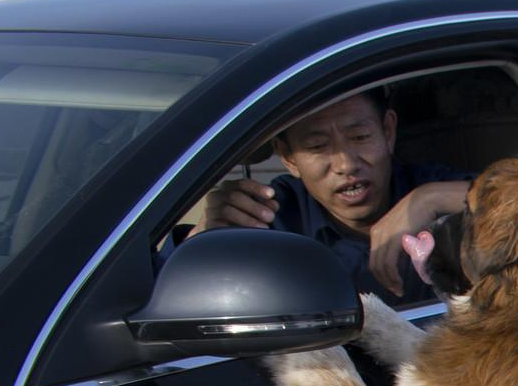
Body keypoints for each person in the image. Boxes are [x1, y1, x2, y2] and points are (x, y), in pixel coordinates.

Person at [183, 89, 470, 304]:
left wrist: (427, 199)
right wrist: (205, 235)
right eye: (318, 146)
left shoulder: (431, 185)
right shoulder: (269, 217)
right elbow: (165, 293)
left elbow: (513, 197)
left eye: (360, 138)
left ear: (388, 131)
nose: (346, 164)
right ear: (288, 158)